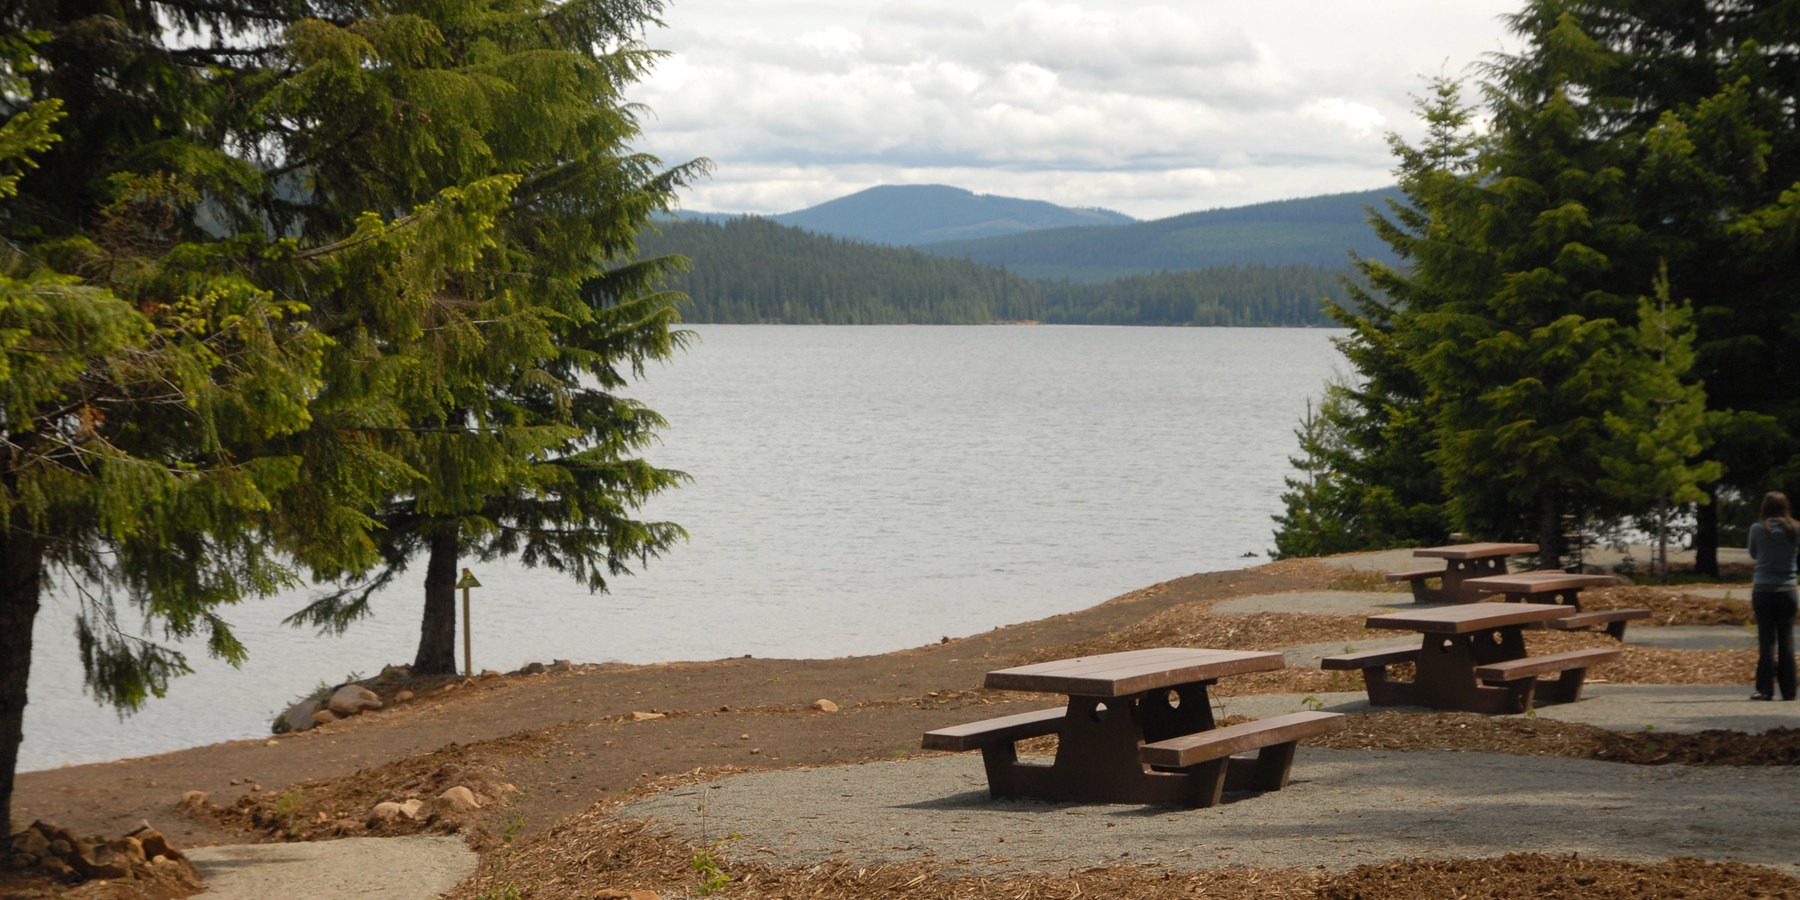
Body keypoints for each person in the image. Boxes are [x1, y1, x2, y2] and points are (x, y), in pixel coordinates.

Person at [1746, 491, 1799, 701]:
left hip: (1763, 589)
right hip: (1788, 589)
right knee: (1787, 639)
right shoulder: (1796, 529)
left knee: (1766, 640)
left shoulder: (1758, 529)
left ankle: (1765, 688)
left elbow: (1753, 553)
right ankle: (1789, 689)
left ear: (1765, 508)